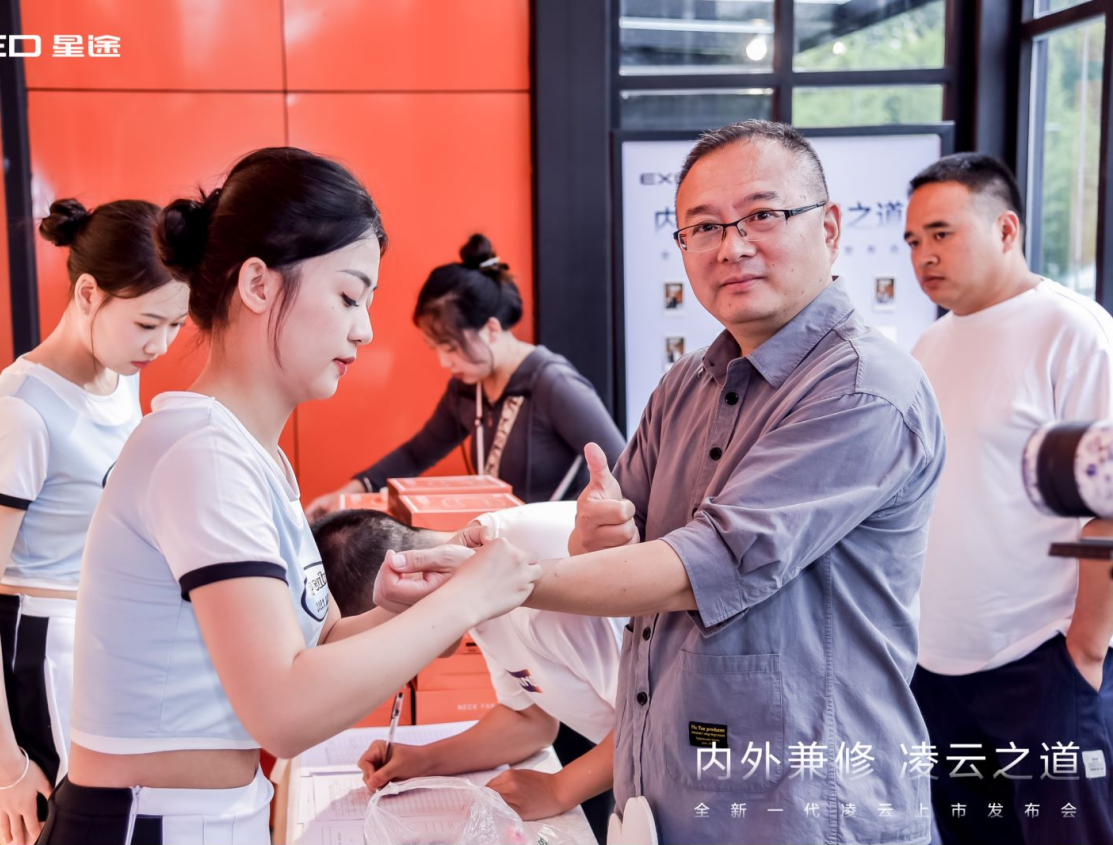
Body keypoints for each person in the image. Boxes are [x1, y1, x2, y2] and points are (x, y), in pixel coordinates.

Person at [382, 120, 946, 844]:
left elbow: (706, 564)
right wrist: (596, 534)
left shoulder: (863, 388)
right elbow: (620, 544)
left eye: (762, 215)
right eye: (703, 227)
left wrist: (494, 581)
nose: (731, 246)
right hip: (671, 793)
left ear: (829, 227)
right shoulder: (686, 385)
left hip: (807, 805)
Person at [36, 148, 540, 844]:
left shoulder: (250, 454)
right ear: (258, 285)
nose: (364, 328)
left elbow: (319, 643)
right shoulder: (202, 455)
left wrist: (413, 602)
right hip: (149, 823)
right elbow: (284, 710)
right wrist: (467, 599)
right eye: (349, 296)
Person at [0, 199, 189, 845]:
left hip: (105, 636)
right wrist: (6, 764)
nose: (159, 345)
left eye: (176, 325)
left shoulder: (119, 375)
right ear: (88, 294)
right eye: (147, 323)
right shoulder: (24, 410)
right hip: (44, 652)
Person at [904, 152, 1113, 845]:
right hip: (937, 665)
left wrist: (1085, 650)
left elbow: (1108, 504)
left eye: (942, 232)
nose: (924, 255)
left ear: (1006, 229)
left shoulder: (1073, 331)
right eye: (913, 240)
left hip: (1043, 657)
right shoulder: (929, 346)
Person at [312, 502, 622, 837]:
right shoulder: (480, 580)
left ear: (403, 584)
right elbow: (530, 720)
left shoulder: (539, 583)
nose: (401, 666)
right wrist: (423, 760)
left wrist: (559, 789)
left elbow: (653, 716)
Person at [306, 234, 624, 517]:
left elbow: (622, 468)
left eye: (451, 347)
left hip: (559, 545)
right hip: (505, 541)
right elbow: (416, 454)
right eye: (436, 349)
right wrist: (347, 494)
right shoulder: (467, 389)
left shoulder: (552, 382)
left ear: (491, 329)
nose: (444, 362)